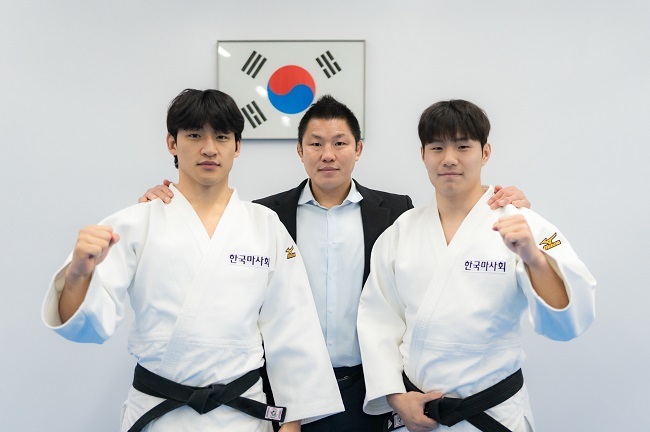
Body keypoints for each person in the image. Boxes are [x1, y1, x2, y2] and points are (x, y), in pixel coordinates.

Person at [139, 95, 530, 432]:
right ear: (299, 150)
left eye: (340, 142)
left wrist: (505, 203)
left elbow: (409, 290)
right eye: (315, 143)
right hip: (281, 387)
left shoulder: (396, 212)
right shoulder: (265, 216)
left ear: (358, 149)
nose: (328, 154)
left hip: (367, 387)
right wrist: (167, 203)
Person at [42, 89, 344, 432]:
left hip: (242, 417)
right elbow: (87, 326)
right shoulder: (135, 222)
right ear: (172, 143)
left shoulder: (265, 225)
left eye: (222, 137)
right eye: (195, 135)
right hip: (159, 415)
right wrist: (78, 274)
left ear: (237, 146)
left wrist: (292, 421)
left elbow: (293, 326)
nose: (209, 148)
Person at [356, 99, 596, 432]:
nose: (449, 159)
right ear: (423, 154)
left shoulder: (522, 225)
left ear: (485, 153)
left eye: (463, 146)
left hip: (494, 414)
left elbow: (568, 322)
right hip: (419, 416)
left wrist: (533, 257)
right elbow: (378, 321)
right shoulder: (401, 232)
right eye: (437, 147)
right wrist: (396, 397)